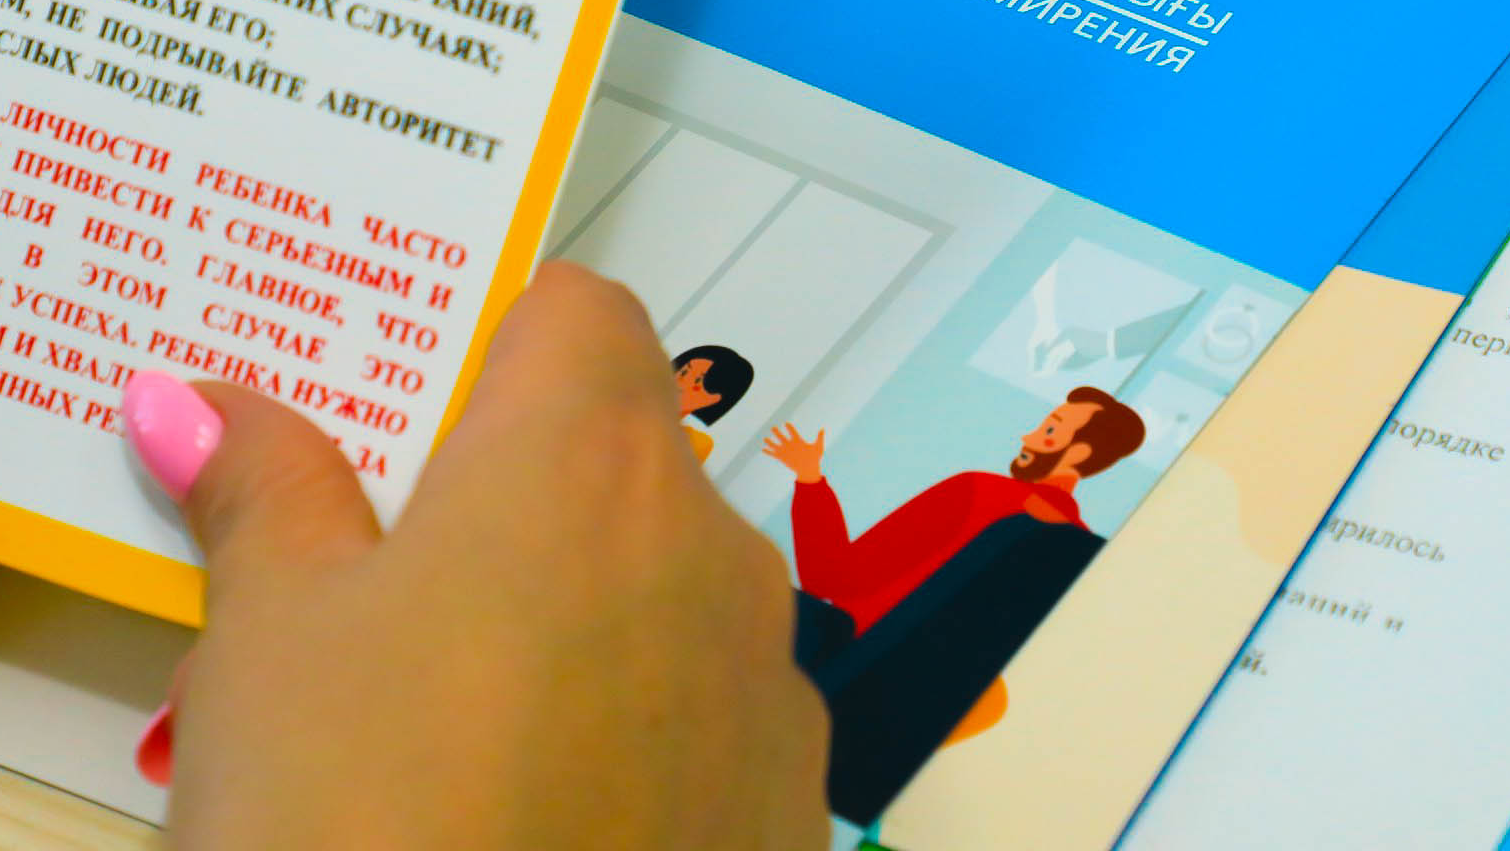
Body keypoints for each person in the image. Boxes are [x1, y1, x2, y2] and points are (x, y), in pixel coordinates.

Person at [119, 262, 827, 849]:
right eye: (686, 366)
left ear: (707, 394)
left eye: (695, 377)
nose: (680, 376)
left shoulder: (678, 445)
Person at [759, 388, 1147, 660]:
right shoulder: (1080, 550)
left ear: (1078, 453)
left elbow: (832, 578)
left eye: (1049, 431)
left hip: (834, 655)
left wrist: (810, 480)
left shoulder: (981, 492)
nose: (1027, 437)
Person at [672, 343, 755, 463]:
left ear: (715, 398)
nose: (680, 381)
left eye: (698, 381)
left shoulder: (695, 443)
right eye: (683, 372)